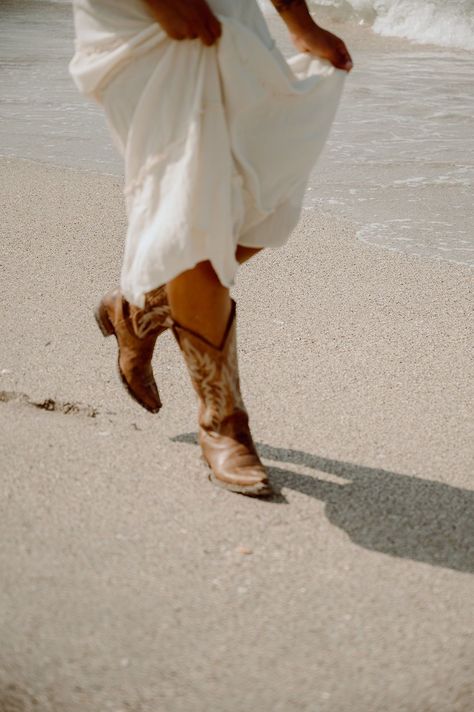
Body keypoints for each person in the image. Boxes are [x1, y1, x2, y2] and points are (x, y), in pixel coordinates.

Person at [69, 0, 352, 497]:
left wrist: (298, 21)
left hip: (229, 16)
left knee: (260, 201)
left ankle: (139, 310)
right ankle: (223, 421)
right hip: (143, 24)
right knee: (197, 217)